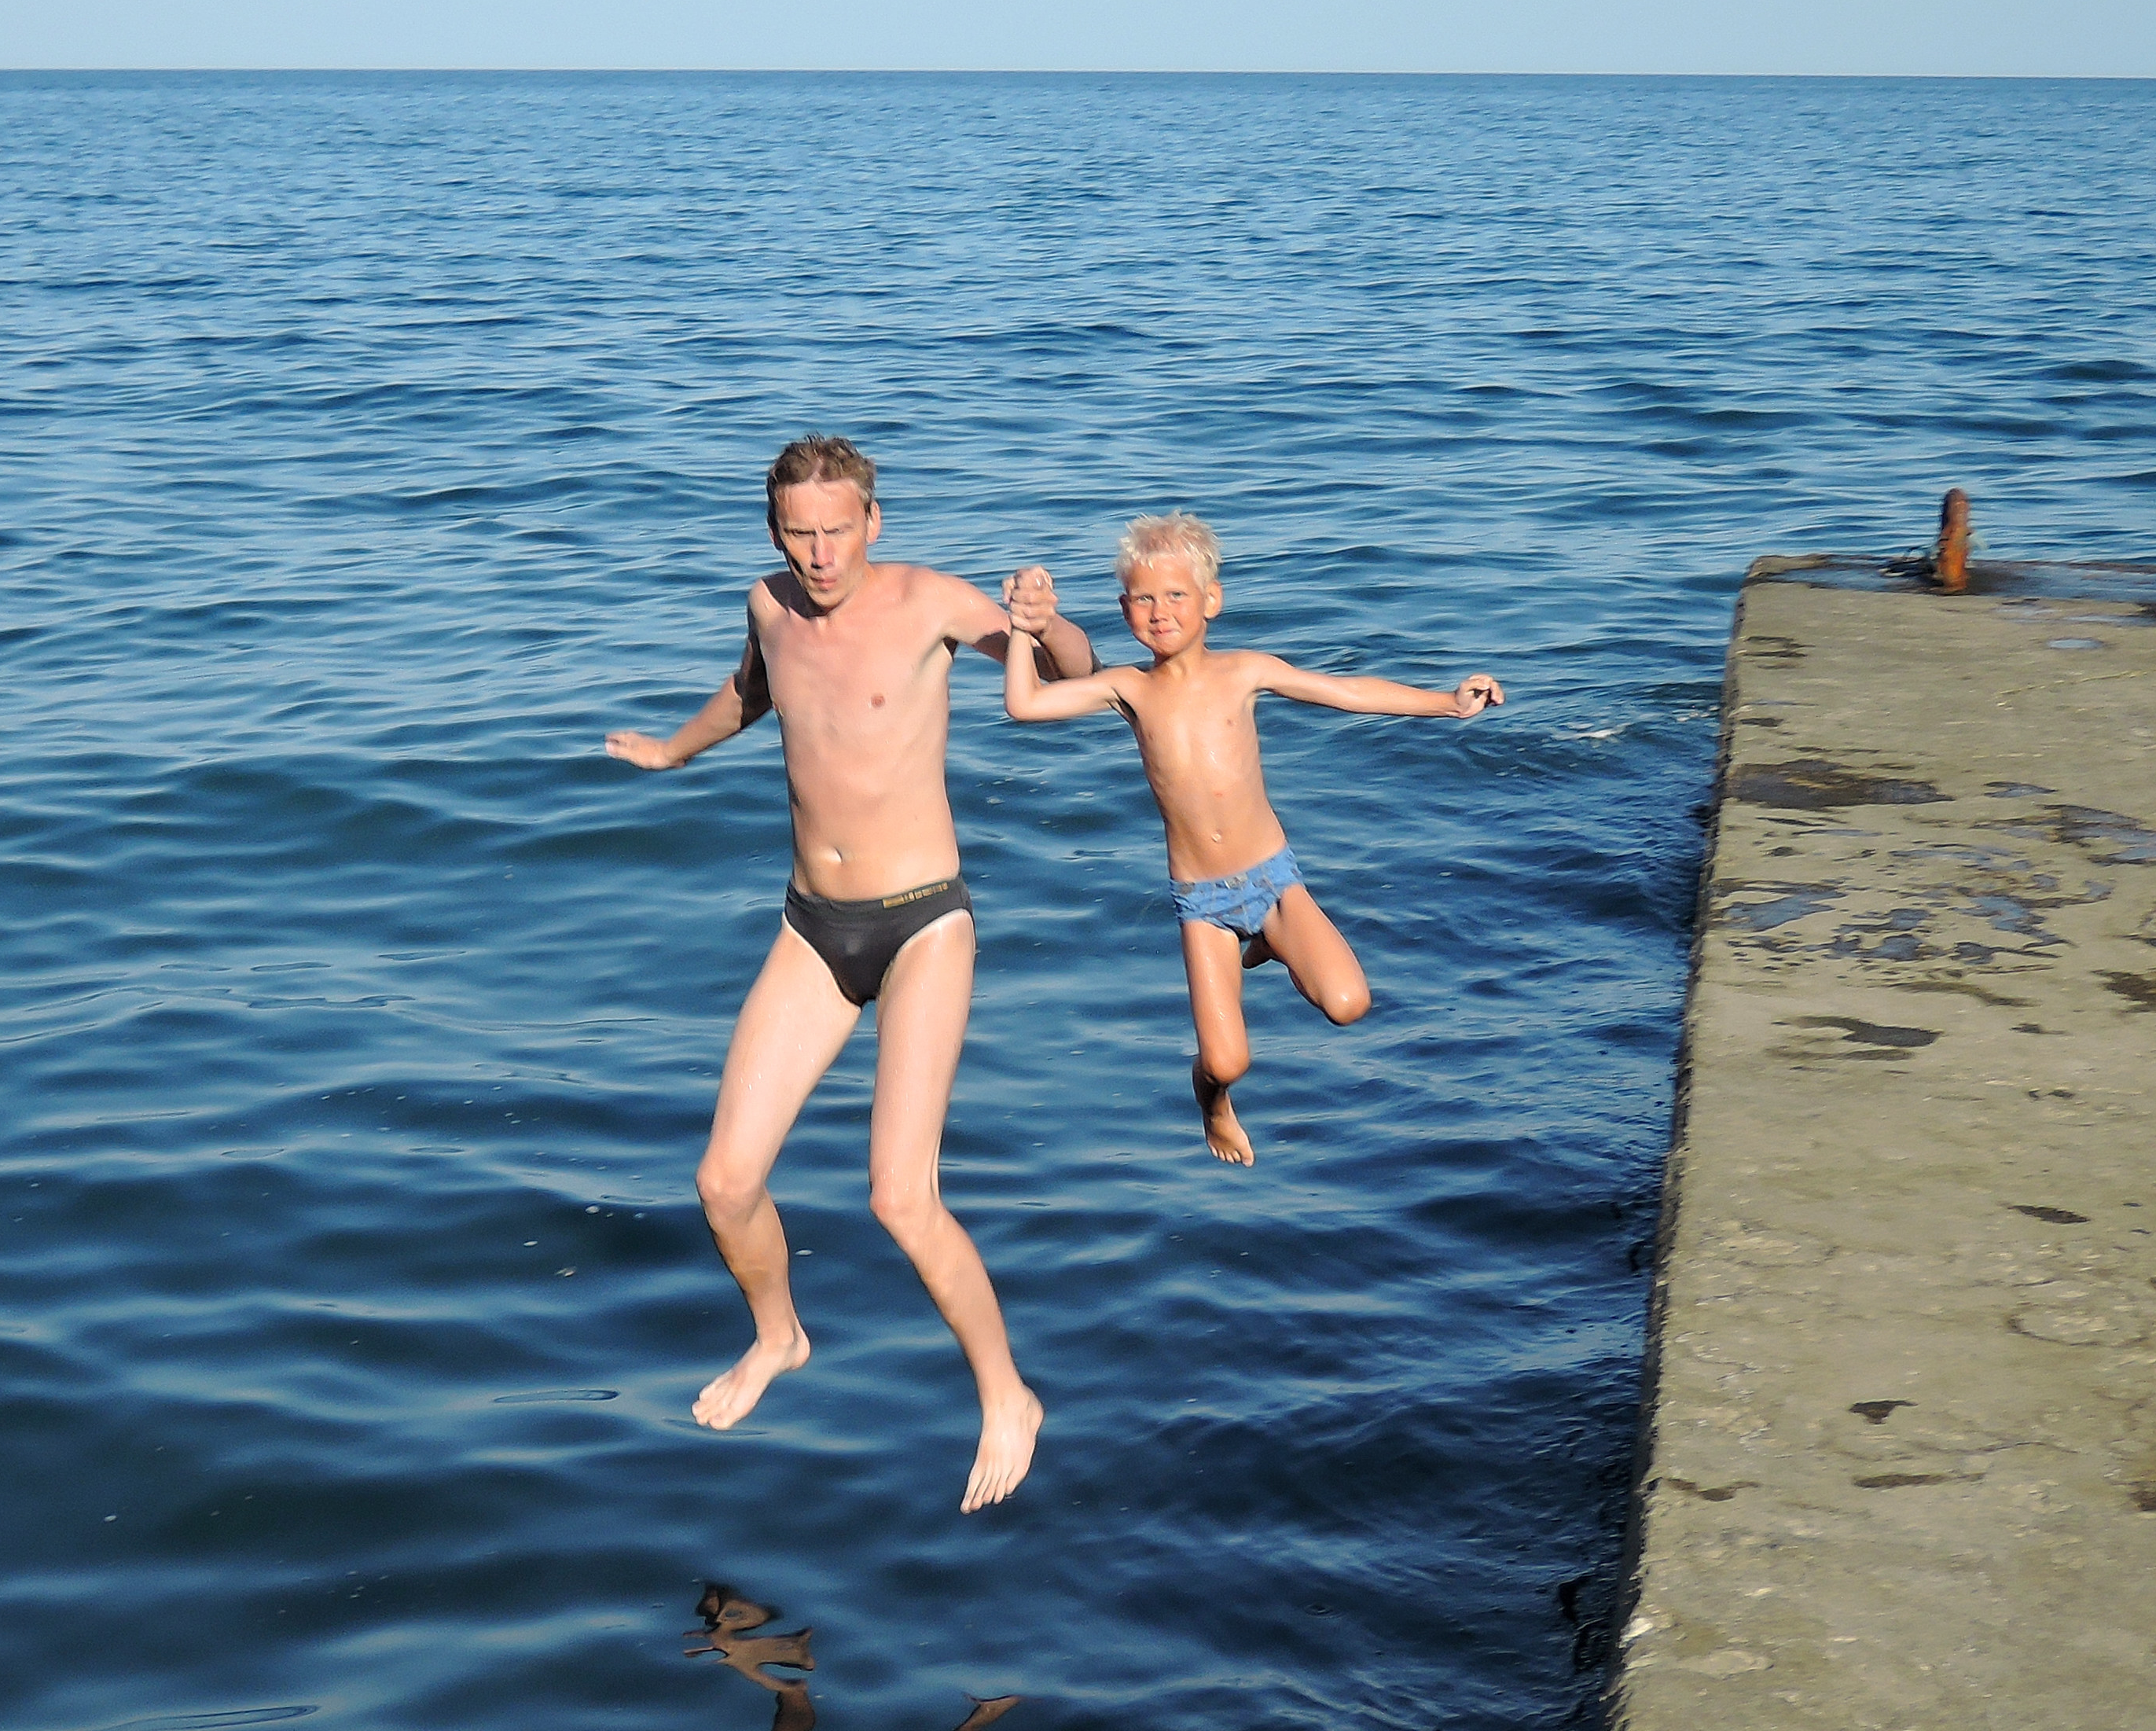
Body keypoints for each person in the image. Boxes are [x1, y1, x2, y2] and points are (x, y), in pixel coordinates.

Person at [605, 435, 1096, 1512]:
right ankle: (778, 1335)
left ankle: (1006, 1393)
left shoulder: (930, 603)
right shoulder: (768, 605)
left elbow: (1073, 675)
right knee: (723, 1183)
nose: (821, 555)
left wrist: (1046, 621)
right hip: (810, 927)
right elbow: (750, 694)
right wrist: (673, 751)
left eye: (837, 530)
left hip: (922, 924)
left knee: (898, 1197)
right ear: (774, 531)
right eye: (800, 534)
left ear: (873, 520)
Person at [1001, 512, 1502, 1168]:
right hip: (1202, 901)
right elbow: (1025, 703)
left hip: (1272, 878)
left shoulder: (1244, 671)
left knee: (1348, 1003)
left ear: (1212, 600)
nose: (1159, 611)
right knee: (1225, 1061)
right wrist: (1023, 627)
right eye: (1143, 599)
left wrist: (1447, 702)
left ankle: (1271, 940)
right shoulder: (1129, 689)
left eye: (1176, 595)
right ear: (1124, 610)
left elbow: (1348, 692)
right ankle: (1212, 1105)